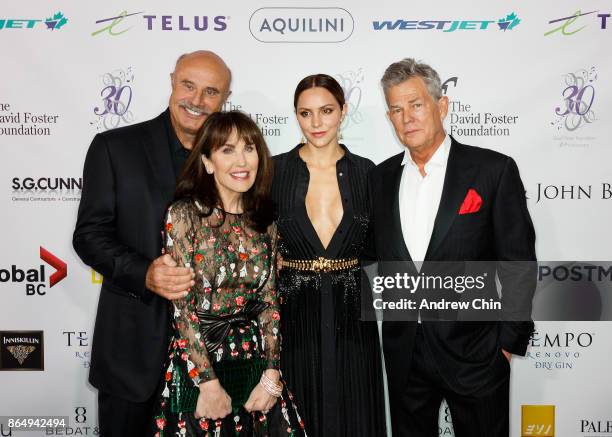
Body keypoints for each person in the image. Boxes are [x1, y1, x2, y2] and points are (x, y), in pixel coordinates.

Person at [369, 58, 536, 437]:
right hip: (405, 356)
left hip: (477, 354)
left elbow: (518, 261)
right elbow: (371, 258)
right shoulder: (379, 178)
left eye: (416, 104)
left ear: (441, 106)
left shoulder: (492, 170)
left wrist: (507, 344)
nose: (407, 117)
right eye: (396, 109)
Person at [73, 50, 231, 435]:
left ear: (225, 99)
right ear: (172, 82)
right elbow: (89, 235)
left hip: (212, 360)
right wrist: (145, 274)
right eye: (188, 86)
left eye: (211, 91)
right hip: (133, 351)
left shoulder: (232, 159)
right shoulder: (115, 147)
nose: (197, 100)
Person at [153, 111, 306, 436]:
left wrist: (272, 373)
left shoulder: (263, 220)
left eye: (249, 148)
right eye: (228, 150)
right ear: (207, 162)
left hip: (254, 367)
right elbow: (183, 310)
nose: (242, 160)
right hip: (200, 363)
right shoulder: (184, 216)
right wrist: (207, 383)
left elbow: (268, 302)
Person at [271, 74, 387, 437]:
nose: (316, 123)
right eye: (305, 113)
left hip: (353, 312)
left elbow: (384, 246)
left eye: (326, 111)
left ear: (343, 111)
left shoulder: (369, 173)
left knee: (355, 409)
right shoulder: (272, 172)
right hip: (292, 312)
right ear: (296, 115)